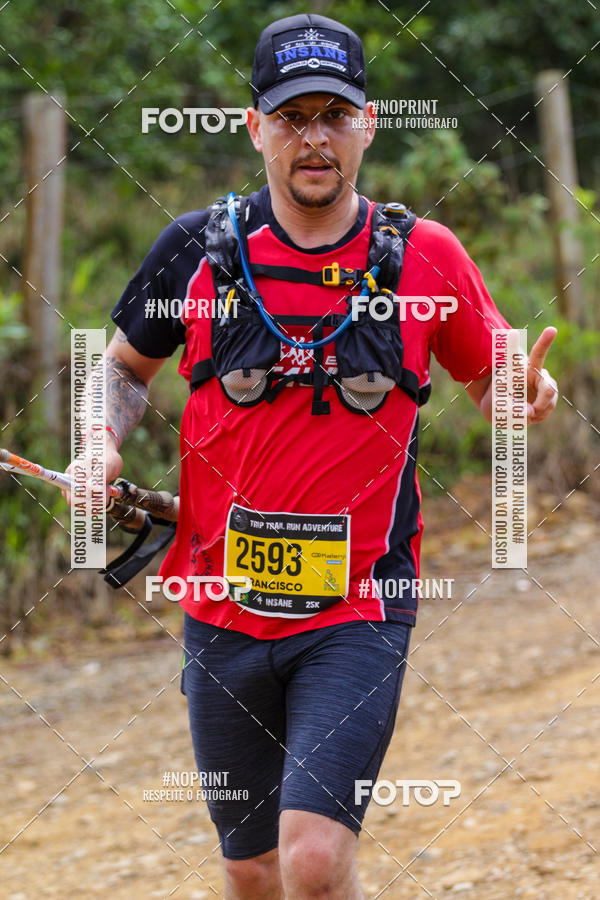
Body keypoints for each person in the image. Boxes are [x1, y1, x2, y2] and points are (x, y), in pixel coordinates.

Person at [83, 13, 558, 898]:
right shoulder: (193, 250)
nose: (315, 138)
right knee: (253, 869)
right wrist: (96, 445)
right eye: (292, 116)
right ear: (255, 127)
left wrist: (518, 396)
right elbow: (118, 369)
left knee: (313, 857)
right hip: (221, 611)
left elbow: (494, 380)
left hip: (358, 607)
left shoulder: (425, 259)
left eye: (333, 115)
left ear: (368, 124)